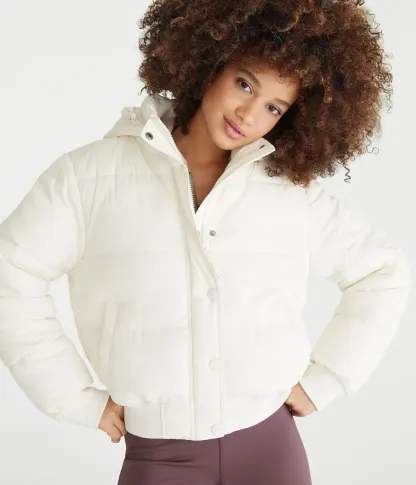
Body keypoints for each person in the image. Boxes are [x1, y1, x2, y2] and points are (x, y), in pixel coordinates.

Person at [0, 0, 412, 484]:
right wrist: (72, 396)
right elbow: (12, 271)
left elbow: (380, 272)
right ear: (209, 64)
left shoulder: (288, 192)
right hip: (160, 455)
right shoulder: (89, 176)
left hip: (270, 448)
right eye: (245, 84)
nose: (248, 114)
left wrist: (327, 378)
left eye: (273, 107)